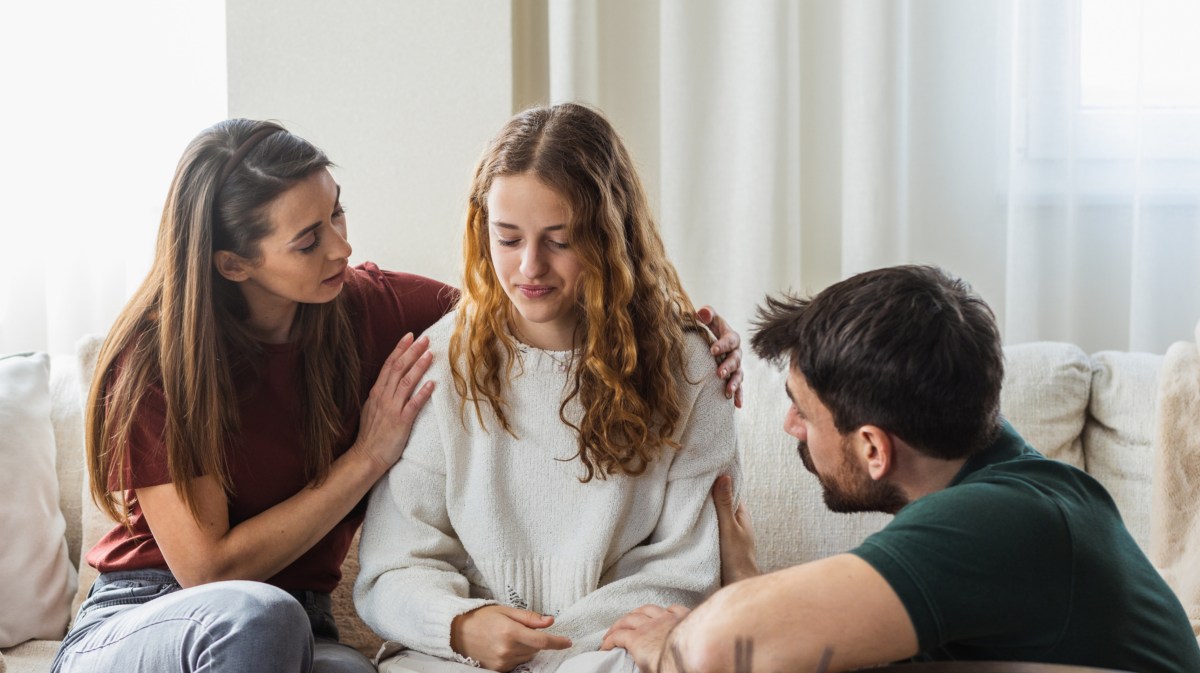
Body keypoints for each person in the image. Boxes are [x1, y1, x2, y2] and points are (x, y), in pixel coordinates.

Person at [52, 119, 745, 673]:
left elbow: (519, 315)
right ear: (234, 264)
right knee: (260, 622)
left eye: (336, 214)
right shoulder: (156, 362)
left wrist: (686, 331)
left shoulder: (370, 311)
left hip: (302, 619)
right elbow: (206, 571)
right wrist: (367, 456)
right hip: (150, 616)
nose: (341, 248)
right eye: (308, 240)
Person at [601, 265, 1200, 673]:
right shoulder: (1011, 483)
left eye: (802, 410)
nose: (790, 425)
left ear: (873, 449)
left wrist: (668, 645)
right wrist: (747, 578)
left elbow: (713, 647)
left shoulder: (996, 524)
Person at [353, 103, 740, 673]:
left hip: (610, 656)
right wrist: (461, 626)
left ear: (611, 237)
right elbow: (391, 567)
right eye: (507, 239)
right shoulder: (441, 362)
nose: (529, 268)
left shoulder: (688, 366)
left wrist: (550, 649)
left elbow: (688, 570)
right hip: (463, 660)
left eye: (559, 241)